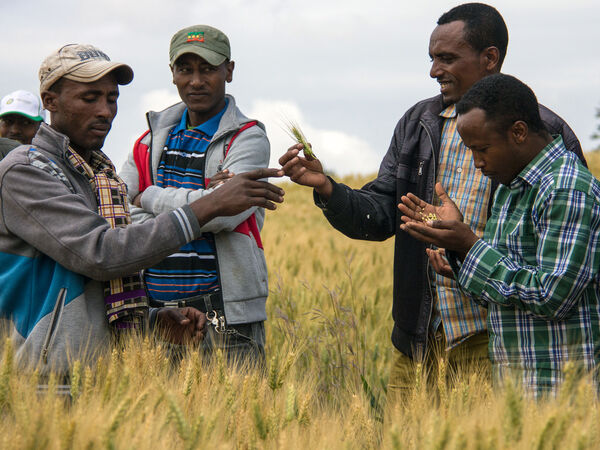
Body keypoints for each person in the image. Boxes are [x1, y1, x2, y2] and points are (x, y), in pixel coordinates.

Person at [278, 3, 587, 399]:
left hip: (497, 341)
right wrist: (327, 188)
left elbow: (560, 258)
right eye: (432, 58)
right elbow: (381, 214)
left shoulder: (540, 133)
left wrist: (466, 248)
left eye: (447, 58)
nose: (433, 70)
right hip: (419, 341)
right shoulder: (418, 124)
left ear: (489, 58)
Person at [0, 43, 284, 384]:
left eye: (111, 98)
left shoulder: (97, 174)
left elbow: (93, 285)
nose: (106, 111)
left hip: (95, 376)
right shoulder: (27, 172)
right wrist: (210, 203)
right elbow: (103, 254)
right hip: (42, 379)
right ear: (50, 101)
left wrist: (151, 320)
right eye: (90, 98)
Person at [398, 73, 600, 396]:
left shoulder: (565, 188)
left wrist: (470, 245)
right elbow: (505, 292)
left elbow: (553, 295)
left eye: (482, 149)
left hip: (560, 388)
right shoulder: (509, 188)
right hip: (513, 386)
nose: (477, 163)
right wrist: (461, 258)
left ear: (518, 132)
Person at [120, 25, 271, 364]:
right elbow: (118, 213)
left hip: (225, 315)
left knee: (236, 417)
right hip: (157, 315)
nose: (196, 81)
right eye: (185, 69)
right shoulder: (148, 142)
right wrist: (204, 197)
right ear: (172, 73)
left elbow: (225, 214)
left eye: (208, 69)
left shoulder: (247, 138)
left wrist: (146, 196)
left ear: (229, 71)